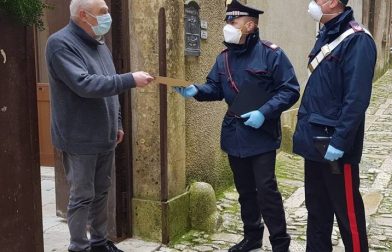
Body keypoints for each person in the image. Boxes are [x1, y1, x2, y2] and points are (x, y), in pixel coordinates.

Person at [175, 1, 300, 251]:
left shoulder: (271, 53)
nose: (227, 27)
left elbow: (290, 90)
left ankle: (280, 243)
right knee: (245, 191)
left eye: (233, 22)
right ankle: (252, 236)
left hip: (261, 134)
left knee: (266, 190)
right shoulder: (224, 58)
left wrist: (264, 113)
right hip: (235, 134)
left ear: (250, 25)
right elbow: (215, 88)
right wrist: (196, 89)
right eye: (227, 22)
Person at [45, 0, 154, 251]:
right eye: (103, 12)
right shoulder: (60, 44)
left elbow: (109, 87)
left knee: (102, 192)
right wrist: (130, 79)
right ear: (84, 15)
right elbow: (85, 84)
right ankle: (79, 246)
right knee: (82, 196)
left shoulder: (98, 42)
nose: (108, 17)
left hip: (105, 135)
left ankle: (99, 243)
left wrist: (117, 122)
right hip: (79, 137)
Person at [293, 0, 377, 251]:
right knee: (317, 209)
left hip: (335, 146)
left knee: (347, 211)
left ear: (332, 2)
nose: (312, 3)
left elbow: (356, 99)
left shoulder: (357, 40)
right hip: (315, 142)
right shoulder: (327, 34)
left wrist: (340, 141)